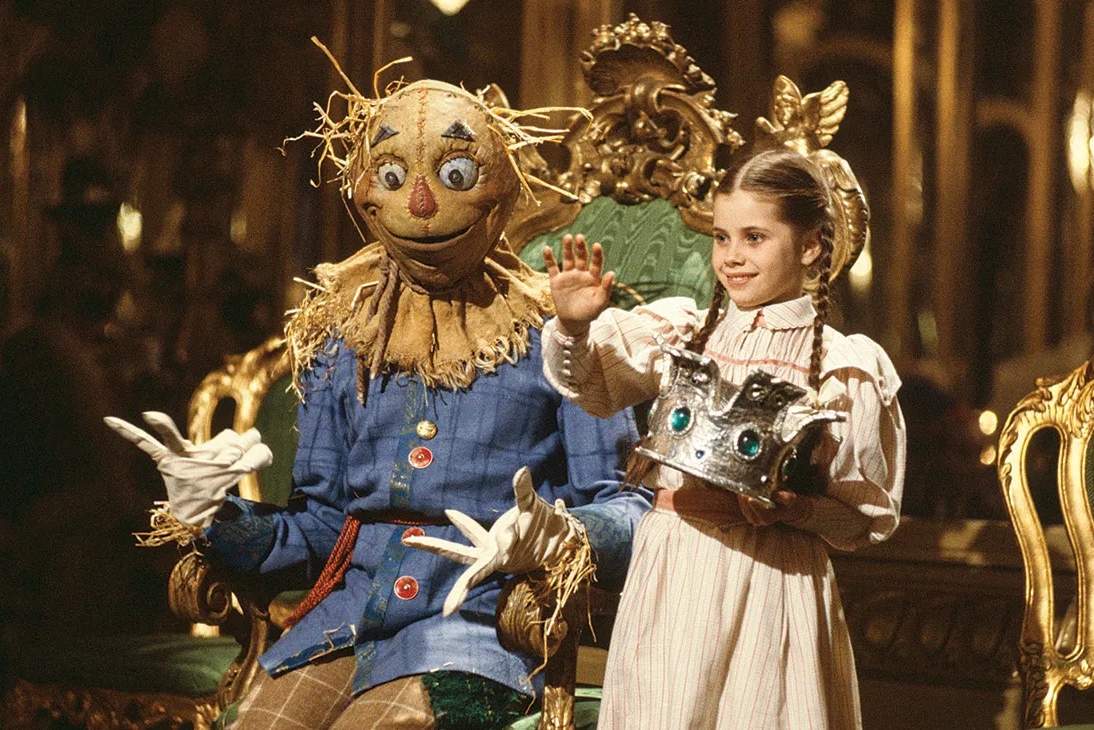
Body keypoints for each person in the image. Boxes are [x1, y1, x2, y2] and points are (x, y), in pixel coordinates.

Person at [108, 77, 649, 729]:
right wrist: (215, 514)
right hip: (347, 621)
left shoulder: (557, 334)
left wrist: (562, 534)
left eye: (454, 172)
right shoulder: (346, 336)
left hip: (472, 636)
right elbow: (319, 526)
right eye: (392, 175)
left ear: (501, 187)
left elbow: (628, 505)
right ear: (363, 190)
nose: (420, 203)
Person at [540, 147, 906, 728]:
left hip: (772, 581)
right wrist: (574, 326)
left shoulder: (842, 365)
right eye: (722, 238)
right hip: (675, 569)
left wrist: (797, 510)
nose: (732, 257)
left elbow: (864, 515)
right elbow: (591, 385)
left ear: (810, 245)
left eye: (754, 238)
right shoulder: (687, 332)